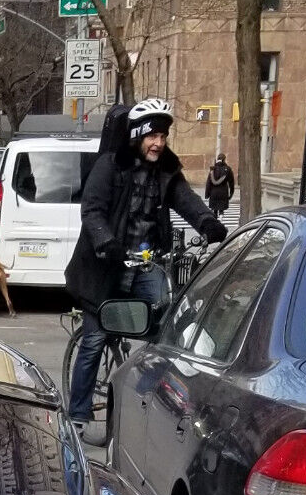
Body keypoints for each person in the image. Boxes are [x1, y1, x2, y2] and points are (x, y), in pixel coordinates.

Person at [65, 98, 227, 439]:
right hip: (103, 267)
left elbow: (186, 200)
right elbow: (92, 210)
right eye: (152, 136)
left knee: (166, 329)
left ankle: (143, 399)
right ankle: (77, 416)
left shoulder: (166, 169)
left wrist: (208, 224)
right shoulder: (110, 166)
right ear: (137, 136)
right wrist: (105, 242)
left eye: (163, 136)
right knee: (94, 340)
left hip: (145, 264)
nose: (158, 143)